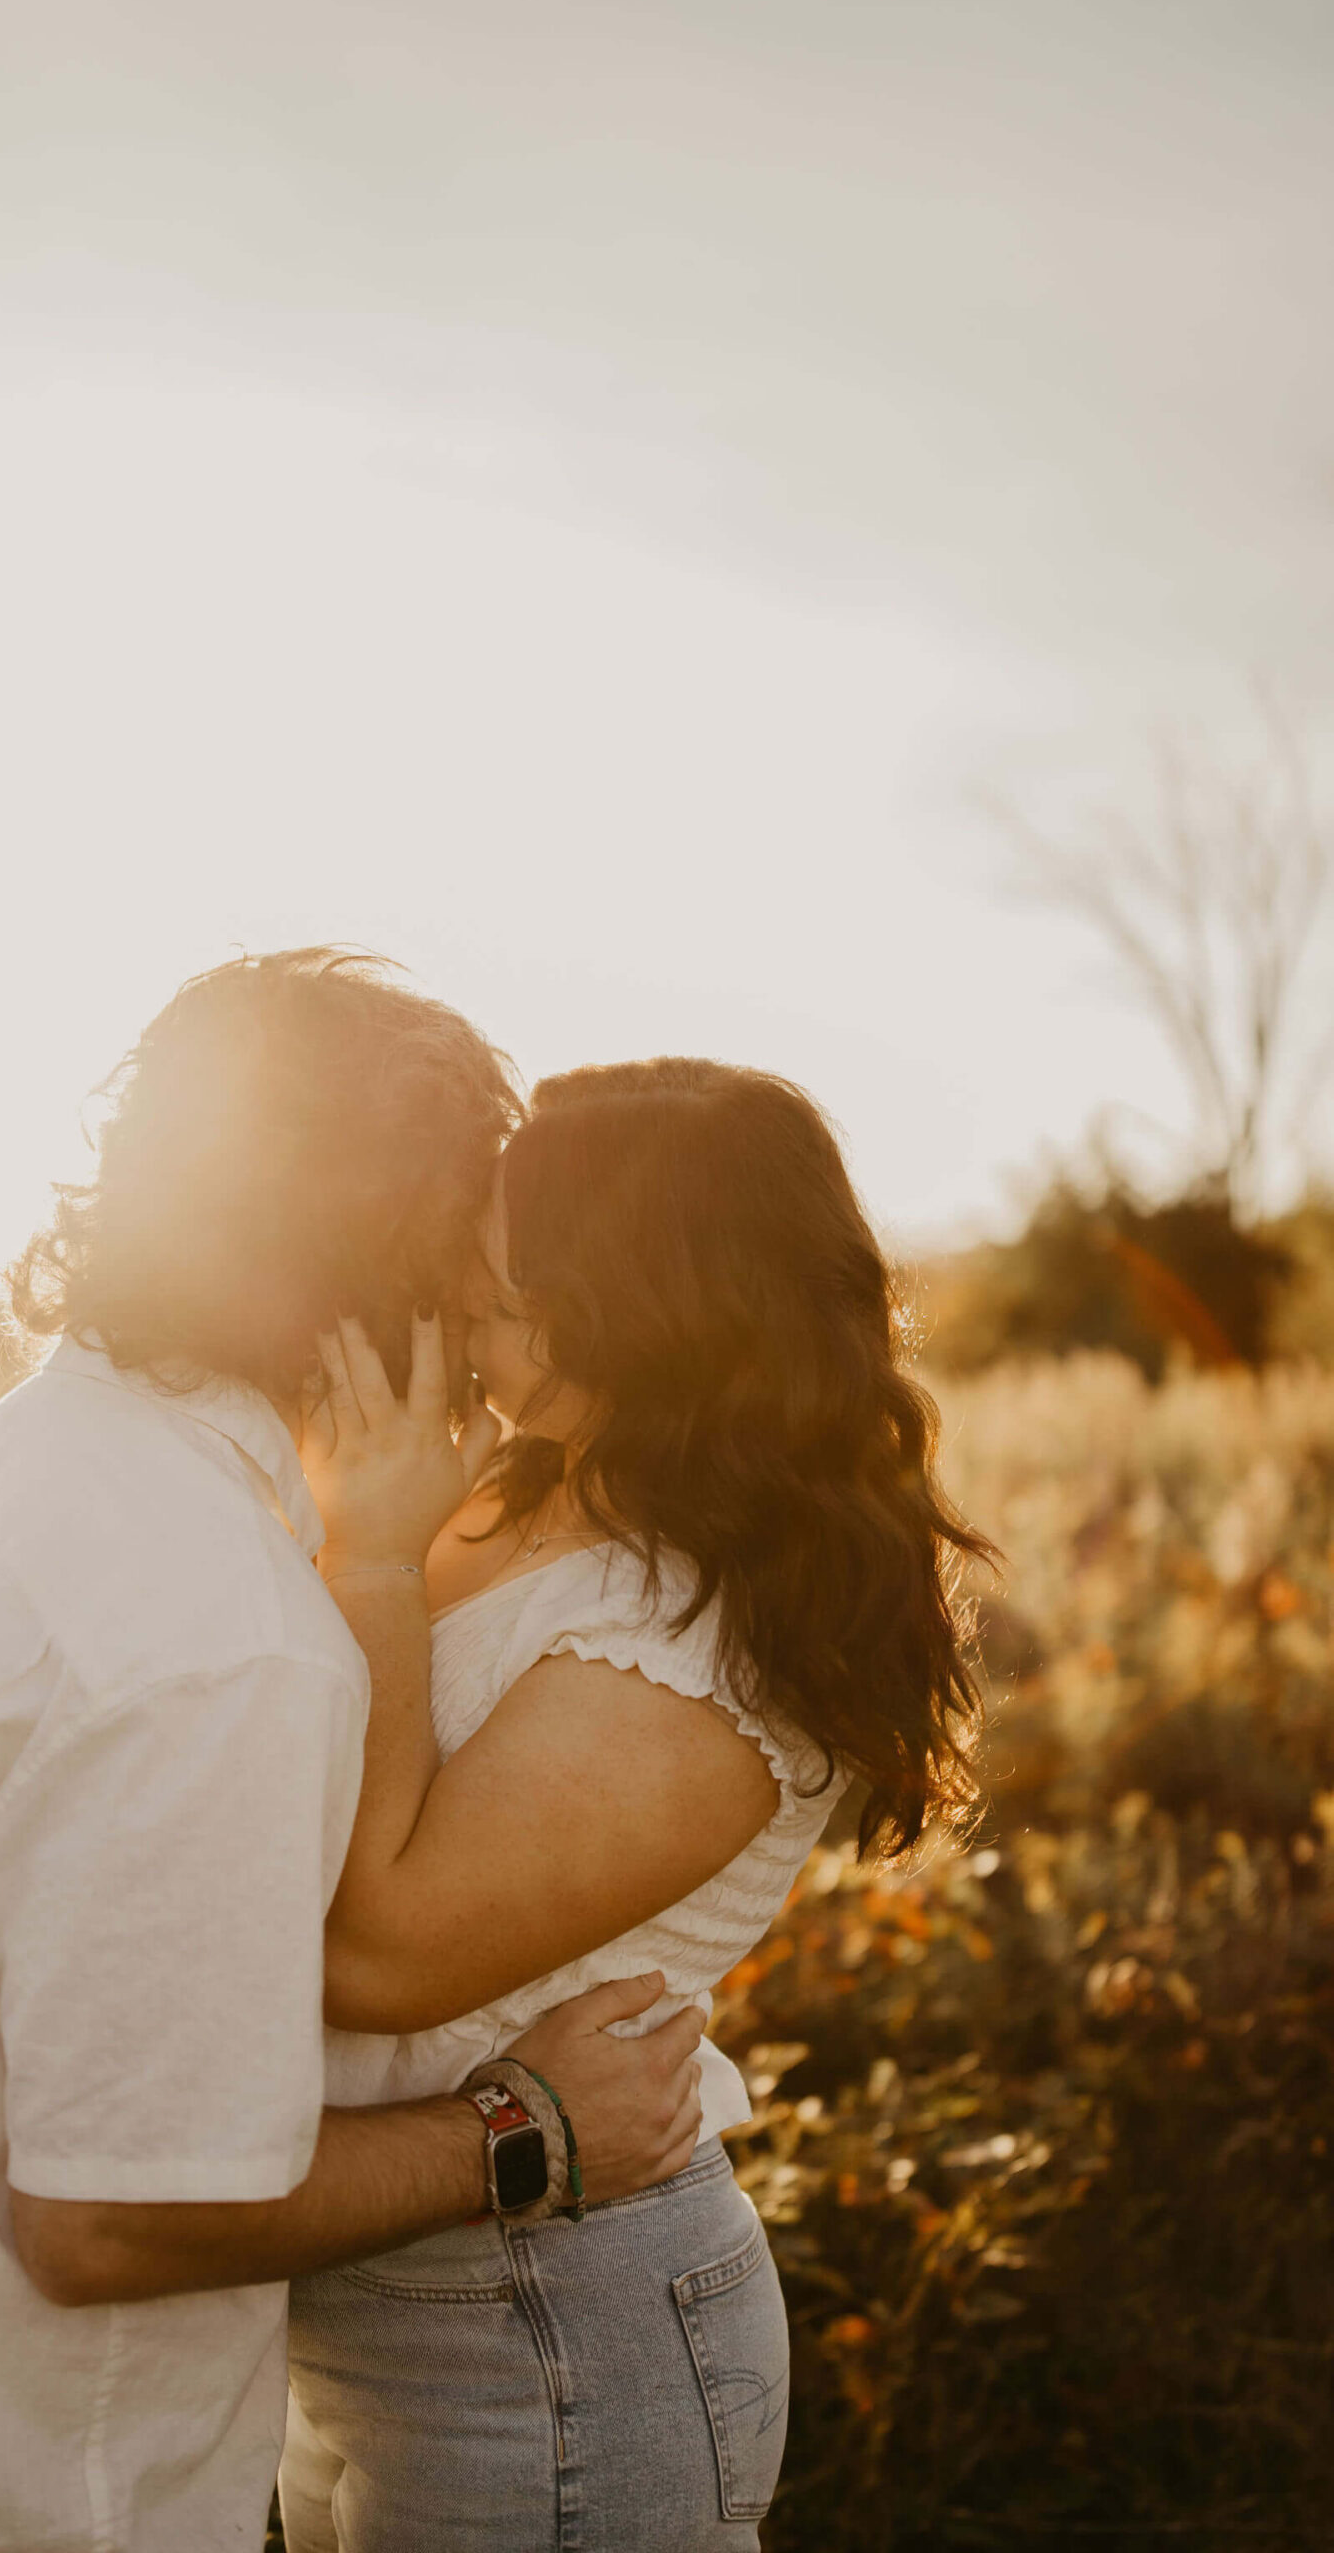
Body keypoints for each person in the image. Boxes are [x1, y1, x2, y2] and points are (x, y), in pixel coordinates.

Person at [0, 956, 704, 2553]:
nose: (487, 1335)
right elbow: (117, 2214)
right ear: (386, 1275)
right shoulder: (224, 1630)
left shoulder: (23, 1461)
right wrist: (529, 2132)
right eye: (469, 1270)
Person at [279, 1058, 993, 2552]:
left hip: (541, 2331)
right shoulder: (510, 1479)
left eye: (506, 1279)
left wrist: (376, 1563)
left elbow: (381, 1952)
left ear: (644, 1299)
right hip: (362, 2300)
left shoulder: (702, 1636)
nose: (465, 1297)